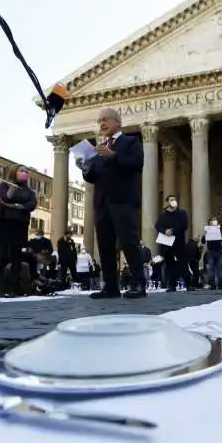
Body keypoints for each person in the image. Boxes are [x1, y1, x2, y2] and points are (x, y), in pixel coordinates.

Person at [78, 107, 146, 299]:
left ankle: (138, 284)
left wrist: (113, 155)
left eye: (106, 119)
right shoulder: (99, 149)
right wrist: (85, 168)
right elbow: (94, 177)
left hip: (123, 200)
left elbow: (137, 163)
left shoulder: (130, 141)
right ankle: (110, 286)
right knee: (105, 245)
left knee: (129, 242)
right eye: (99, 121)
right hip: (102, 203)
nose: (102, 123)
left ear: (117, 122)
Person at [0, 165, 37, 297]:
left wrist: (16, 205)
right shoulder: (4, 185)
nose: (25, 173)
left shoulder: (29, 191)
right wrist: (12, 191)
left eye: (27, 172)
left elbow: (32, 204)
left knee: (16, 258)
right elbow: (5, 198)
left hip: (19, 225)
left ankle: (11, 287)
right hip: (3, 223)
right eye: (22, 171)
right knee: (1, 255)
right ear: (14, 172)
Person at [155, 194, 193, 292]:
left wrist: (173, 231)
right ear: (167, 202)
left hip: (179, 242)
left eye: (175, 199)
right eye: (171, 199)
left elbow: (184, 225)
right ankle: (171, 285)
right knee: (169, 265)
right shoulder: (162, 215)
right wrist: (165, 231)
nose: (173, 201)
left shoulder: (182, 213)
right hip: (167, 243)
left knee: (183, 264)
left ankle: (188, 284)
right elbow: (158, 226)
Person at [201, 216, 222, 289]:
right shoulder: (207, 230)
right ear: (209, 222)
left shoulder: (220, 229)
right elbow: (203, 241)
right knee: (211, 268)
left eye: (215, 220)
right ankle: (212, 285)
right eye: (212, 220)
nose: (214, 221)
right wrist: (205, 234)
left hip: (219, 251)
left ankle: (220, 285)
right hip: (210, 251)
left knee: (220, 268)